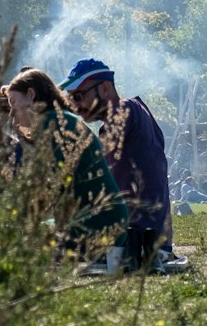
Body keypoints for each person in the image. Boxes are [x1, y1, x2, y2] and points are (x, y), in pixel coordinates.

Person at [60, 58, 177, 273]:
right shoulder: (139, 110)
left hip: (133, 241)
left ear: (105, 88)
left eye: (78, 96)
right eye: (70, 99)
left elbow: (89, 175)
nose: (75, 106)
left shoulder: (122, 113)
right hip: (153, 237)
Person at [5, 68, 127, 266]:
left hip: (97, 226)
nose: (11, 113)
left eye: (13, 103)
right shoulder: (58, 120)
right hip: (107, 222)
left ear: (31, 94)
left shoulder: (51, 124)